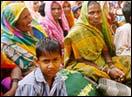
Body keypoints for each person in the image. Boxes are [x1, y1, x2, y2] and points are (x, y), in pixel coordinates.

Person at [64, 1, 130, 84]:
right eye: (92, 13)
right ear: (84, 13)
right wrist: (107, 70)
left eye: (99, 12)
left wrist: (111, 65)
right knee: (94, 73)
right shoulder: (76, 33)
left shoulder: (97, 27)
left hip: (102, 61)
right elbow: (80, 60)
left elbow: (105, 50)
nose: (96, 16)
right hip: (85, 64)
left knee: (127, 59)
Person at [1, 3, 47, 96]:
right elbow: (28, 67)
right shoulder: (7, 43)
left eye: (29, 14)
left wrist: (34, 36)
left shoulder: (30, 32)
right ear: (13, 23)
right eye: (25, 17)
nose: (30, 19)